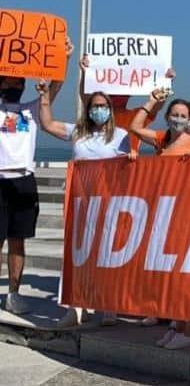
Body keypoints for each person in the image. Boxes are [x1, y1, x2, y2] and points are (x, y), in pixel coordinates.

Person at [37, 83, 129, 327]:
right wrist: (44, 98)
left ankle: (109, 305)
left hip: (110, 204)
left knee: (108, 253)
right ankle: (74, 307)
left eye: (103, 106)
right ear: (88, 109)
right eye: (95, 106)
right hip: (80, 202)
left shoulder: (121, 136)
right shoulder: (78, 131)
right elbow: (47, 124)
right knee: (75, 255)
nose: (99, 109)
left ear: (110, 108)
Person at [0, 36, 74, 315]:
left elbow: (54, 89)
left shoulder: (31, 110)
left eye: (18, 81)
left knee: (18, 239)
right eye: (8, 79)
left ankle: (14, 293)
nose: (14, 84)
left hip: (23, 180)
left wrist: (63, 59)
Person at [129, 91, 190, 350]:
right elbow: (135, 126)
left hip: (188, 214)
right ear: (167, 116)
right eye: (175, 114)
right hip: (165, 213)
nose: (179, 119)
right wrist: (151, 101)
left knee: (186, 275)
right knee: (171, 275)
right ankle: (178, 325)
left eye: (184, 116)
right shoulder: (162, 140)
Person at [79, 54, 175, 154]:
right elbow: (85, 98)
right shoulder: (99, 114)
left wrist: (166, 82)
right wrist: (86, 73)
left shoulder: (135, 116)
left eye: (122, 92)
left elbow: (155, 106)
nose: (118, 95)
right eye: (114, 91)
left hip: (129, 166)